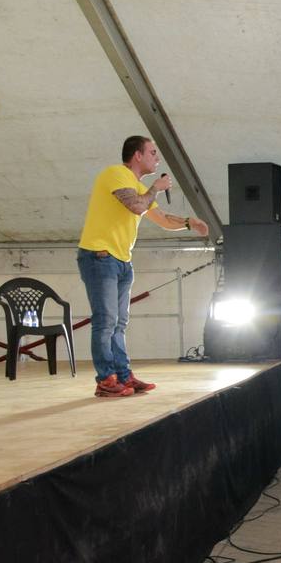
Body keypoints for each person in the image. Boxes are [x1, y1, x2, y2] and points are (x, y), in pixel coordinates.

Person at [78, 135, 211, 396]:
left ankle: (124, 377)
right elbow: (137, 206)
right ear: (137, 155)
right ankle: (106, 380)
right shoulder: (116, 174)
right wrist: (157, 188)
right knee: (105, 321)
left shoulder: (139, 186)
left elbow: (160, 218)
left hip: (121, 261)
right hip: (99, 256)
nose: (156, 158)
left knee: (119, 323)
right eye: (152, 153)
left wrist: (188, 223)